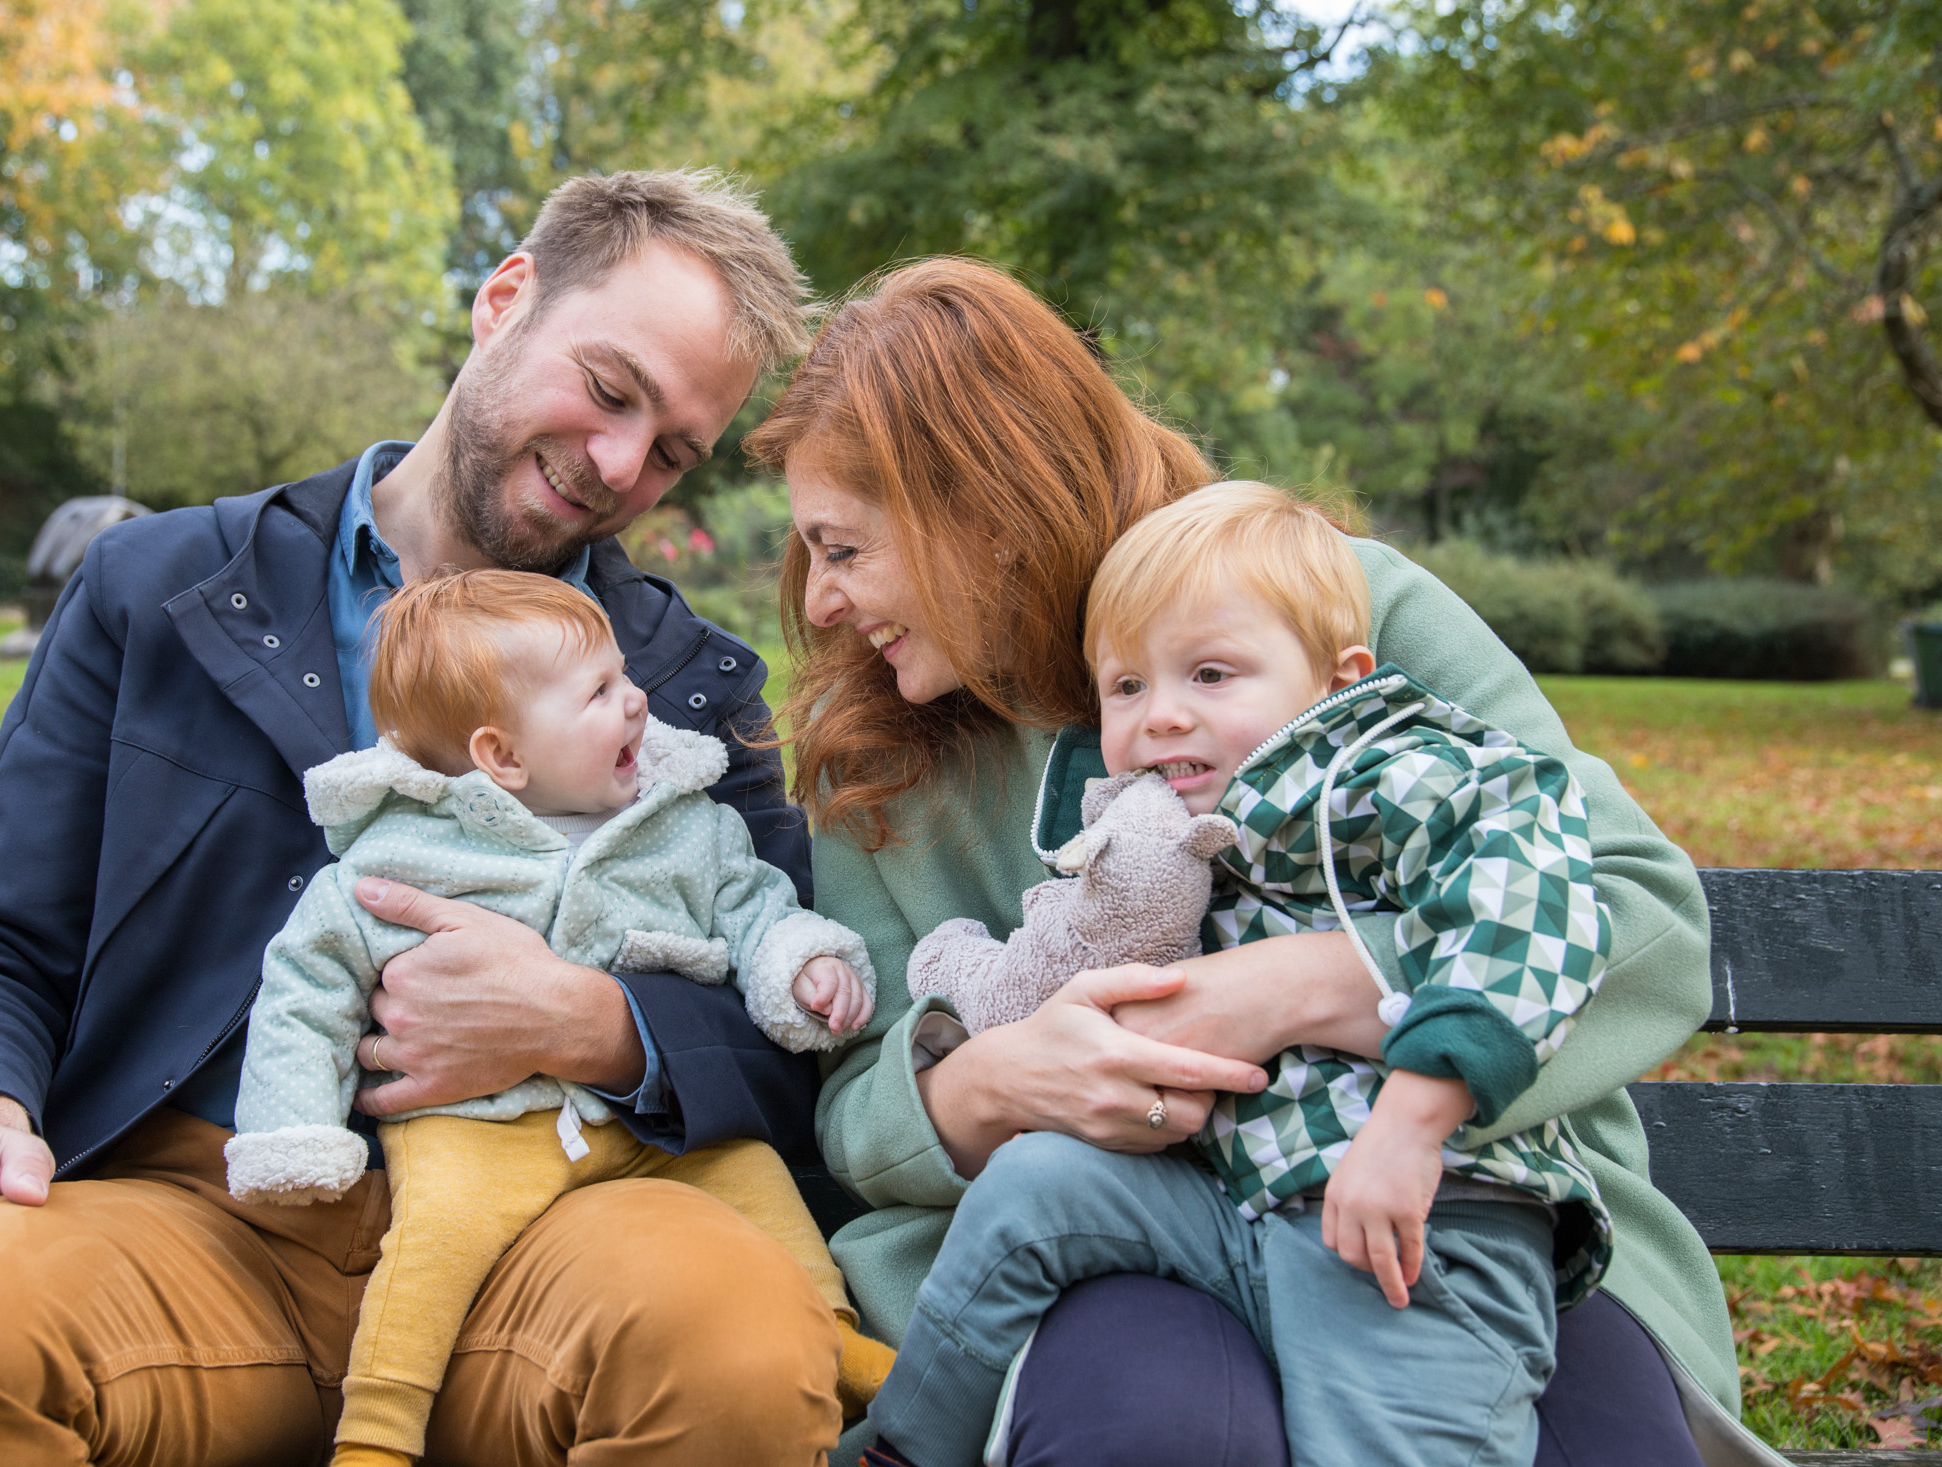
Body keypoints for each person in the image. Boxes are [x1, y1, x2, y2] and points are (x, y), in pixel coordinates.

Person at [0, 170, 851, 1467]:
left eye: (673, 449)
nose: (621, 464)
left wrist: (598, 1023)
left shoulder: (685, 682)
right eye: (611, 390)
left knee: (734, 1352)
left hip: (554, 1219)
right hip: (187, 1217)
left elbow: (788, 1025)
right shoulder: (155, 588)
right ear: (504, 300)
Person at [749, 257, 1786, 1466]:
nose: (818, 603)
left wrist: (1287, 990)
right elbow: (858, 1105)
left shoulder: (1329, 608)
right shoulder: (882, 765)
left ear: (975, 503)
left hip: (1464, 1208)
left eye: (843, 549)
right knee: (1146, 1431)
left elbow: (1637, 911)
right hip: (1121, 1239)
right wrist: (993, 1086)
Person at [869, 484, 1614, 1467]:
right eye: (1126, 687)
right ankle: (901, 1447)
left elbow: (1538, 904)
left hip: (1411, 1219)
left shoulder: (1381, 770)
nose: (1162, 716)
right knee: (1034, 1187)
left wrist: (1412, 1122)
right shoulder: (1169, 828)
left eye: (1211, 674)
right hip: (1237, 1206)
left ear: (1334, 680)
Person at [227, 569, 889, 1465]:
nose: (637, 702)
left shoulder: (679, 823)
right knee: (432, 1247)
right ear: (502, 756)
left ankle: (834, 1335)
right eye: (602, 691)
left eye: (626, 674)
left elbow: (753, 902)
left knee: (755, 1179)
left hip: (648, 1130)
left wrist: (804, 964)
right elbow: (307, 982)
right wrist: (291, 1126)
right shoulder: (404, 854)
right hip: (474, 1126)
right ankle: (378, 1429)